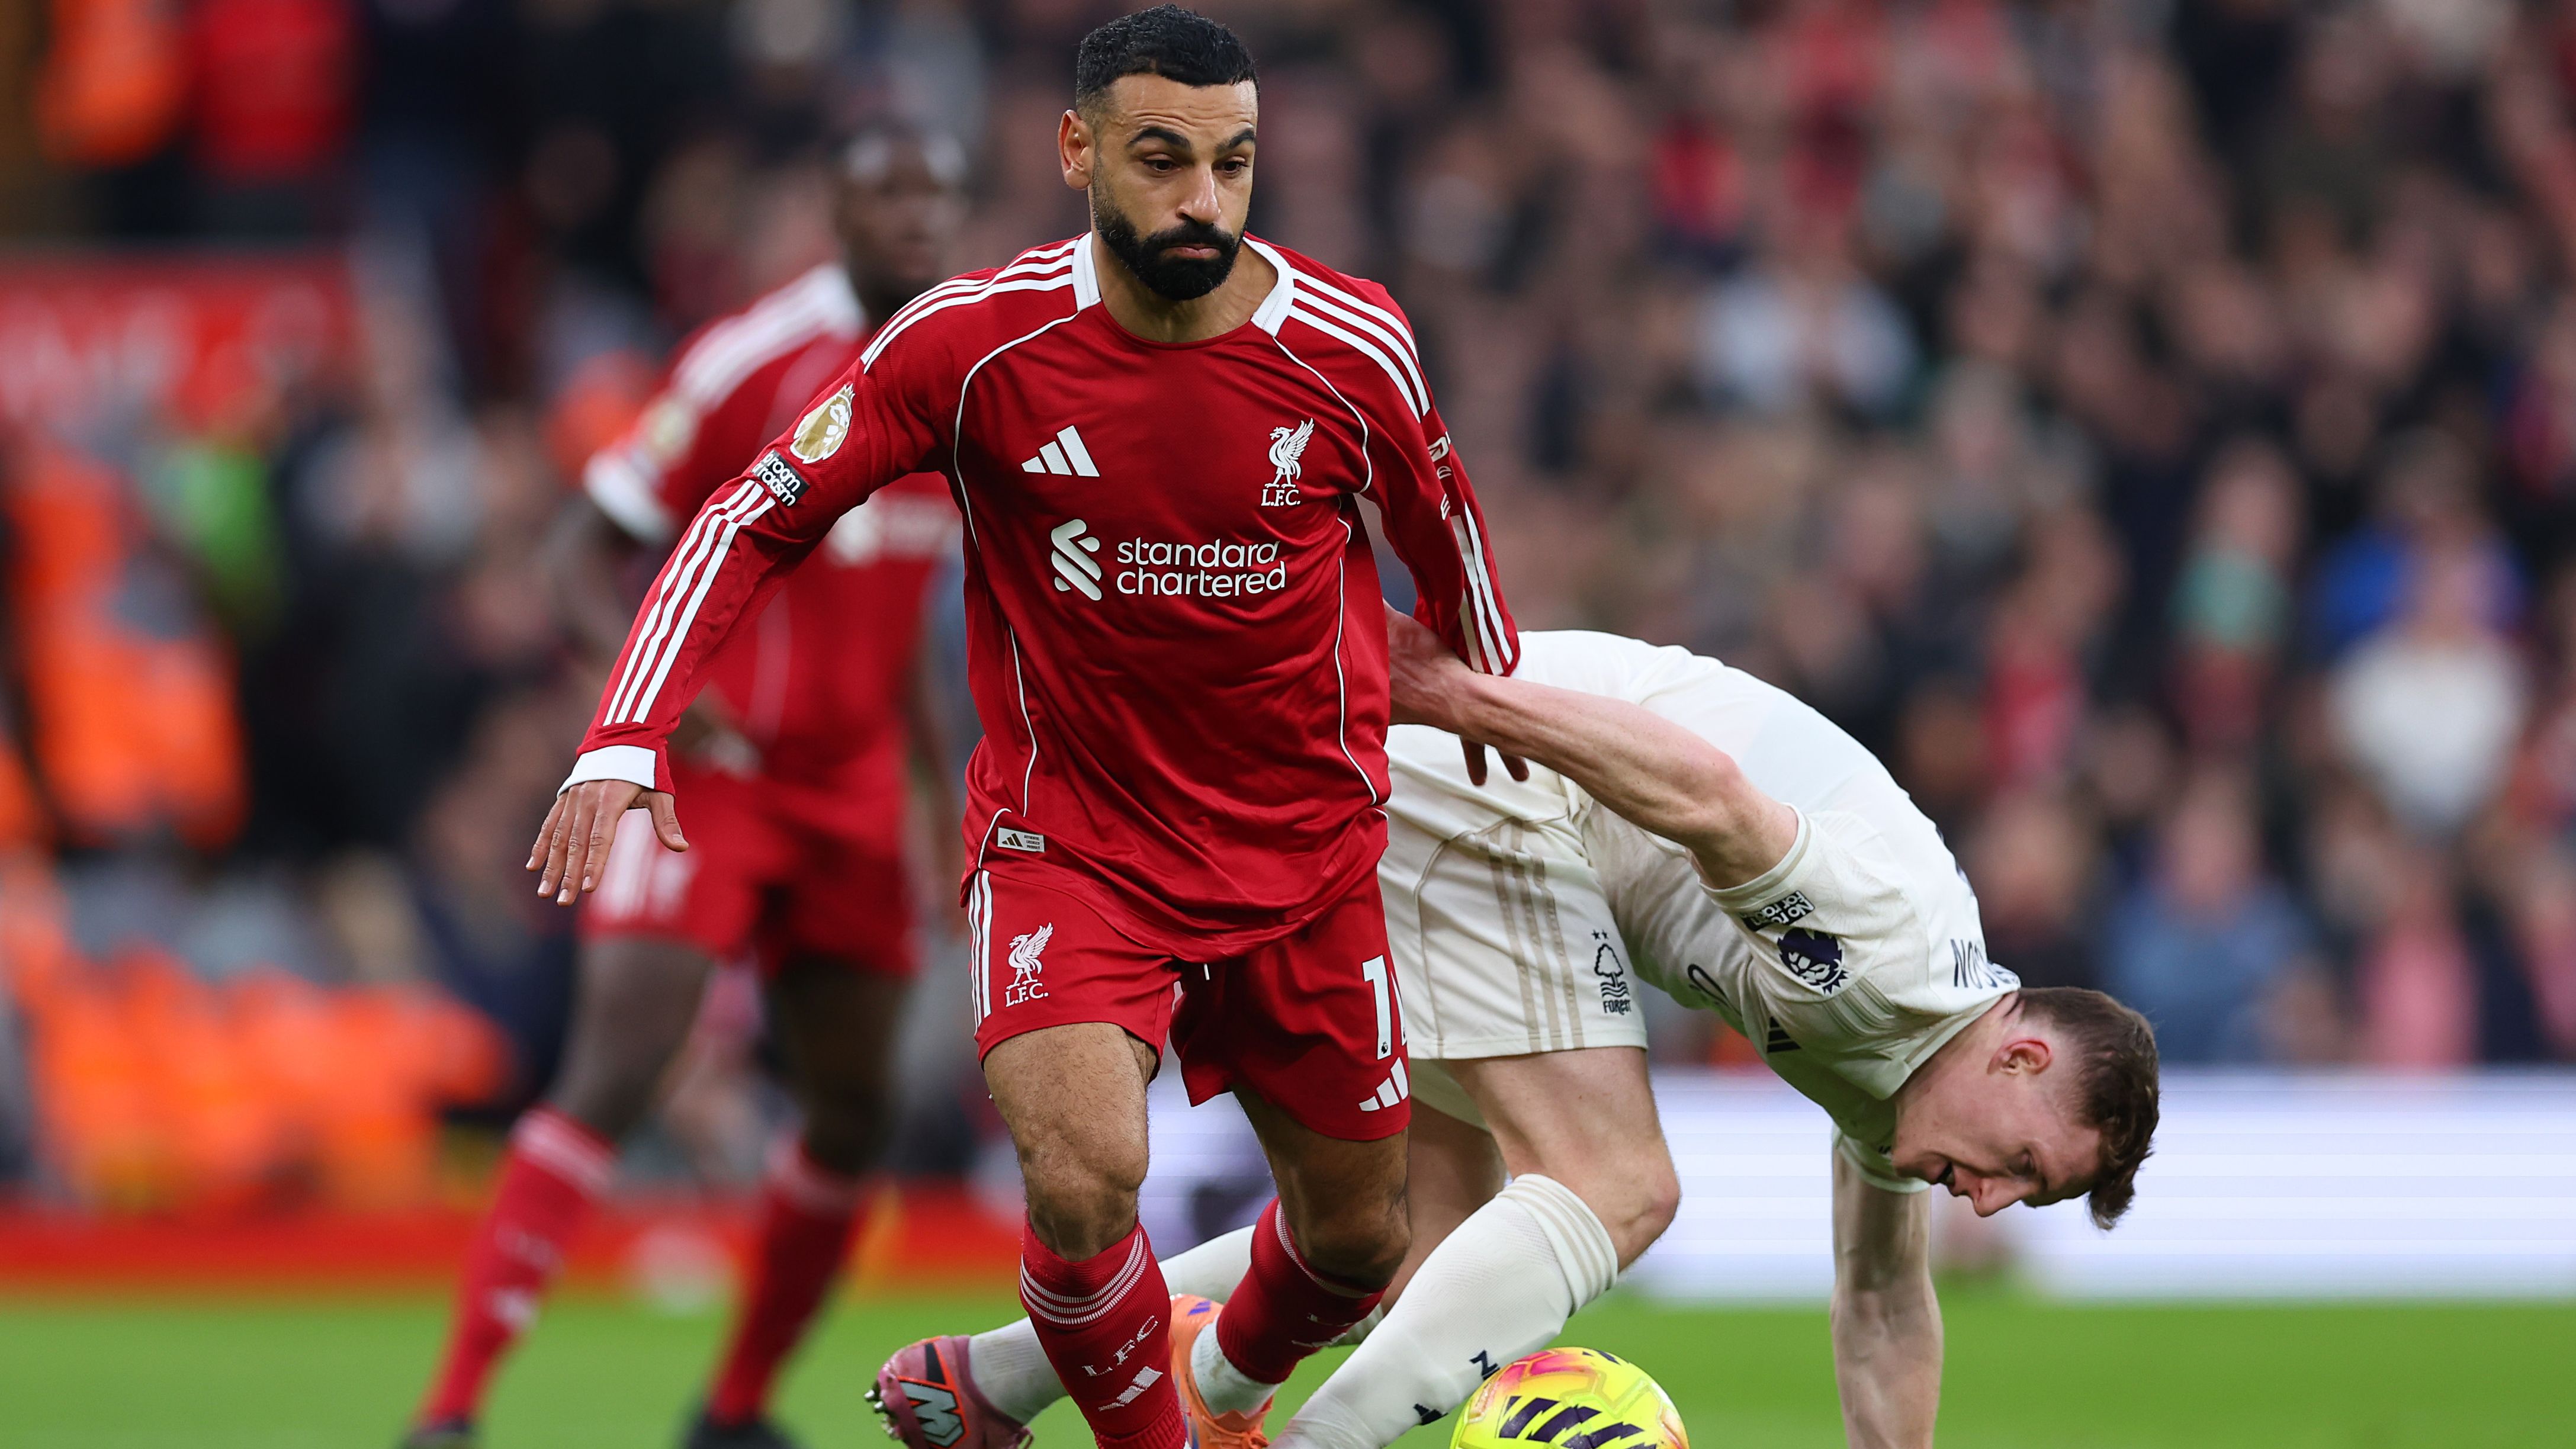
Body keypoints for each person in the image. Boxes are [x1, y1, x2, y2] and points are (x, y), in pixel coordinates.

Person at [526, 11, 1520, 1449]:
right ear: (1077, 150)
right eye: (1161, 158)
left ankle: (1081, 1391)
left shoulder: (1352, 342)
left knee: (1363, 1242)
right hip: (1076, 847)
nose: (1202, 201)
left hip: (1306, 857)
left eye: (1233, 165)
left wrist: (1492, 679)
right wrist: (627, 731)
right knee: (1080, 1178)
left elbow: (1447, 526)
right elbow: (753, 512)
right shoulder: (975, 344)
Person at [894, 613, 2160, 1449]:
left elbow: (1885, 1301)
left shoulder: (1909, 1108)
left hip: (1499, 810)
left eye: (2021, 1206)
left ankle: (994, 1385)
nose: (1990, 1205)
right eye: (2026, 1172)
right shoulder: (1889, 948)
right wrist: (1451, 695)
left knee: (1406, 1251)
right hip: (1494, 769)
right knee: (1617, 1187)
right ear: (2022, 1054)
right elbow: (1708, 794)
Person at [403, 124, 970, 1449]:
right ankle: (450, 1410)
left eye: (936, 190)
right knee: (612, 1068)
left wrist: (939, 802)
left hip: (851, 791)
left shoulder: (964, 379)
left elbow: (895, 631)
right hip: (711, 788)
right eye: (890, 187)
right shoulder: (749, 361)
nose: (918, 213)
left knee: (853, 1109)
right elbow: (579, 547)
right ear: (834, 203)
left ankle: (733, 1410)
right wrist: (648, 704)